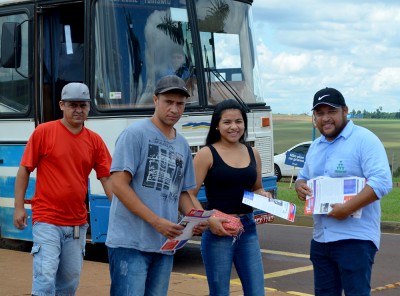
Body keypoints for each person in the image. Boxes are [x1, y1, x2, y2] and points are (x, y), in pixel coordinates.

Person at [105, 75, 207, 296]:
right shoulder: (135, 134)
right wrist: (157, 222)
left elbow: (182, 192)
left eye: (180, 104)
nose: (174, 109)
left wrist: (197, 218)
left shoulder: (181, 144)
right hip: (130, 244)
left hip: (164, 245)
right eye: (168, 102)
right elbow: (119, 185)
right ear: (155, 100)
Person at [13, 82, 113, 296]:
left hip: (77, 223)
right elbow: (24, 170)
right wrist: (18, 207)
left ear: (89, 107)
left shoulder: (95, 141)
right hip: (47, 219)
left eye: (83, 105)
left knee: (69, 282)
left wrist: (121, 209)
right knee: (45, 276)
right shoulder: (43, 132)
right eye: (73, 105)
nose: (78, 110)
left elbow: (107, 179)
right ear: (61, 105)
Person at [295, 87, 392, 296]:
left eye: (331, 111)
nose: (325, 118)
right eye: (319, 113)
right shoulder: (315, 147)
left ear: (345, 111)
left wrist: (347, 208)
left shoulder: (365, 140)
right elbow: (304, 176)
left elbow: (382, 182)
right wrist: (299, 185)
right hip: (321, 239)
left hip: (355, 240)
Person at [188, 99, 271, 296]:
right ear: (217, 125)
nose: (234, 127)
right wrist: (208, 219)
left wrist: (264, 195)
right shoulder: (206, 154)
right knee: (219, 292)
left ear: (244, 124)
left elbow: (257, 188)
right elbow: (189, 194)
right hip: (218, 230)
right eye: (227, 122)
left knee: (257, 292)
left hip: (248, 229)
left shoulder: (254, 153)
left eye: (239, 121)